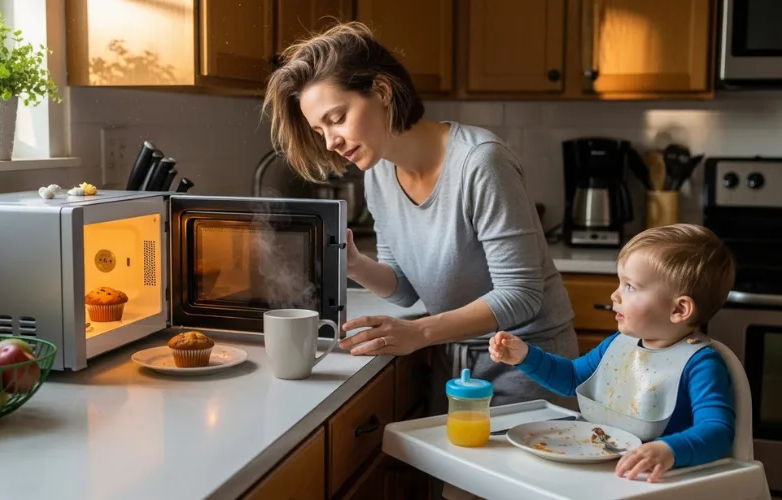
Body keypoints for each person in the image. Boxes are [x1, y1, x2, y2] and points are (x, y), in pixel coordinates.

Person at [263, 21, 578, 409]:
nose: (330, 142)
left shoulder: (481, 162)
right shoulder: (378, 172)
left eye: (337, 118)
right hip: (453, 361)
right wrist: (354, 264)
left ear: (382, 91)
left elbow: (522, 295)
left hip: (527, 362)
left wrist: (420, 332)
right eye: (319, 130)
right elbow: (406, 288)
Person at [490, 223, 737, 482]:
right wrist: (526, 356)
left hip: (655, 481)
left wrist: (670, 450)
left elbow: (718, 430)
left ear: (679, 310)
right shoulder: (619, 344)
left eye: (630, 286)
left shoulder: (701, 363)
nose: (614, 295)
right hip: (605, 468)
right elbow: (572, 377)